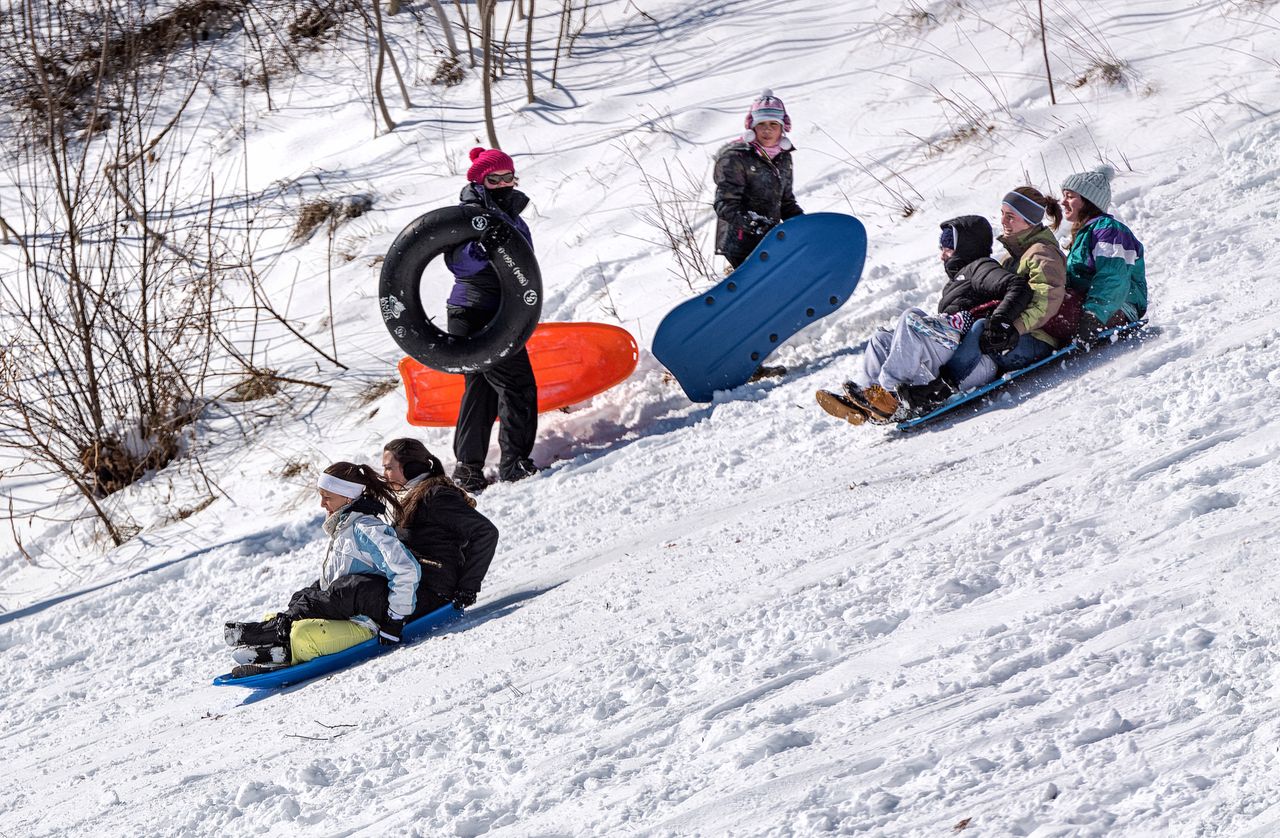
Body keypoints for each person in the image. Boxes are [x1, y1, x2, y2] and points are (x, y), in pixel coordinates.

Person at [815, 214, 1034, 425]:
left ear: (966, 247)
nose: (942, 255)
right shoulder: (959, 281)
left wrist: (1001, 320)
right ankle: (865, 398)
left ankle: (888, 394)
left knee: (911, 318)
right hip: (954, 355)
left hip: (976, 360)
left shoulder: (980, 267)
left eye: (948, 247)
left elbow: (1017, 287)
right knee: (880, 338)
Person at [222, 463, 423, 676]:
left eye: (327, 497)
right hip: (341, 612)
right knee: (272, 616)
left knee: (301, 635)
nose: (321, 503)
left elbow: (406, 569)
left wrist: (395, 619)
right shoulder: (343, 528)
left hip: (366, 623)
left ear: (348, 497)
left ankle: (282, 653)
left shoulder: (366, 529)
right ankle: (277, 650)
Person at [443, 146, 540, 494]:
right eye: (493, 178)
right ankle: (514, 464)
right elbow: (457, 262)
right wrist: (480, 248)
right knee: (518, 387)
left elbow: (523, 264)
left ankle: (468, 469)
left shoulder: (514, 218)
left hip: (503, 311)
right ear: (479, 181)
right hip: (476, 312)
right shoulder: (466, 216)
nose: (502, 183)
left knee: (481, 390)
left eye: (508, 177)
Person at [940, 186, 1069, 393]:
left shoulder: (1042, 253)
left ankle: (943, 386)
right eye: (1002, 214)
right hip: (1014, 339)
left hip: (1037, 340)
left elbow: (1047, 301)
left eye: (1011, 216)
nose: (1003, 221)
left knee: (982, 327)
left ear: (1029, 220)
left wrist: (1012, 329)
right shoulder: (1009, 259)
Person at [382, 438, 499, 611]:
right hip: (410, 584)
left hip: (432, 590)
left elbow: (485, 532)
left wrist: (467, 588)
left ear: (411, 469)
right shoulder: (412, 497)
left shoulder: (435, 497)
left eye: (388, 468)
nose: (384, 474)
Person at [713, 89, 804, 270]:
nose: (768, 130)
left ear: (782, 127)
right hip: (740, 242)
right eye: (762, 124)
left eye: (773, 124)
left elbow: (785, 202)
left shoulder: (783, 158)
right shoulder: (737, 157)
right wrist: (754, 224)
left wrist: (804, 226)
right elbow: (725, 204)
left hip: (769, 240)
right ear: (753, 127)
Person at [1059, 165, 1147, 339]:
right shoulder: (1086, 232)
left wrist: (1093, 316)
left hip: (1117, 307)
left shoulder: (1109, 231)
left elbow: (1112, 276)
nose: (1062, 202)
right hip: (1091, 305)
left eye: (1069, 196)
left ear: (1088, 200)